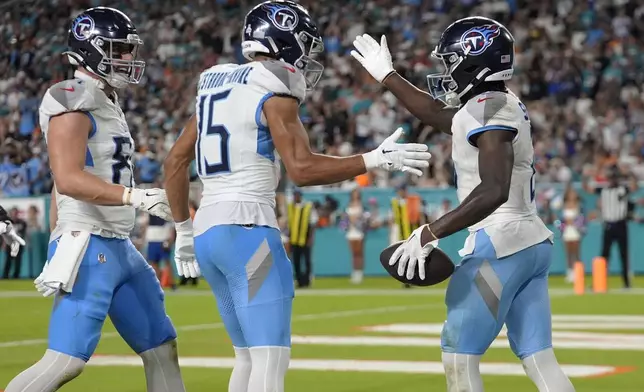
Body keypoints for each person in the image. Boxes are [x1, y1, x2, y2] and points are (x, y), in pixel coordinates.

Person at [162, 1, 431, 391]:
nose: (305, 56)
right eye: (303, 44)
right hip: (248, 229)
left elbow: (174, 162)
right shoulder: (274, 82)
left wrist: (183, 231)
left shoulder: (214, 81)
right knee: (270, 364)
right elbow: (301, 169)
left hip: (207, 233)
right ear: (283, 39)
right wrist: (374, 158)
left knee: (247, 360)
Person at [352, 17, 574, 392]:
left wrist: (429, 231)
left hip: (501, 244)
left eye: (450, 61)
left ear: (472, 61)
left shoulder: (490, 110)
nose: (446, 71)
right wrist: (388, 76)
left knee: (459, 355)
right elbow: (439, 116)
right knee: (539, 357)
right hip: (530, 243)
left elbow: (493, 190)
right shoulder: (495, 103)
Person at [5, 7, 191, 392]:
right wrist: (133, 197)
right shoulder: (72, 96)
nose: (126, 57)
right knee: (65, 362)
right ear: (91, 49)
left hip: (119, 245)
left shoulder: (106, 99)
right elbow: (68, 178)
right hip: (89, 241)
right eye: (117, 48)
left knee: (162, 348)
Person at [287, 189, 317, 288]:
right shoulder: (291, 206)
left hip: (305, 237)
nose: (296, 197)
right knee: (296, 261)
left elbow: (313, 222)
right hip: (294, 238)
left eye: (297, 195)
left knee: (307, 260)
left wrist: (311, 237)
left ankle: (307, 280)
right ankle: (299, 280)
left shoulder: (308, 206)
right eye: (294, 195)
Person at [560, 184, 585, 283]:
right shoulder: (564, 205)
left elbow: (582, 219)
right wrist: (565, 223)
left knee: (576, 253)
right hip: (567, 231)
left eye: (573, 193)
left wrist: (574, 222)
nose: (572, 195)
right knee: (568, 253)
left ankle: (578, 273)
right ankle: (570, 273)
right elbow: (560, 219)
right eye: (570, 193)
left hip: (575, 230)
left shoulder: (579, 205)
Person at [343, 188, 366, 284]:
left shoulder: (362, 206)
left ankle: (360, 273)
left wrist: (357, 220)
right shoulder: (348, 205)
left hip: (359, 231)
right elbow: (345, 219)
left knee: (359, 253)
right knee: (353, 254)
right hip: (351, 231)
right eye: (354, 194)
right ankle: (354, 273)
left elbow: (364, 218)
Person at [2, 208, 27, 279]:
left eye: (15, 213)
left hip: (18, 244)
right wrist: (4, 243)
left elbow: (23, 234)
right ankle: (5, 275)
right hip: (9, 244)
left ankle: (16, 276)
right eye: (13, 213)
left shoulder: (22, 223)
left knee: (18, 261)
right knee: (8, 260)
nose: (14, 215)